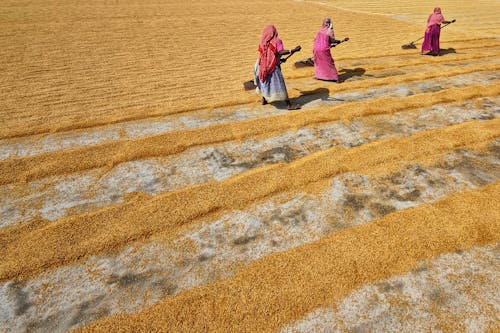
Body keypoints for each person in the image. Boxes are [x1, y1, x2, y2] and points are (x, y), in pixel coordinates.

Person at [254, 25, 300, 110]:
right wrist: (293, 50)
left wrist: (280, 60)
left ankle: (264, 99)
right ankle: (289, 105)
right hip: (272, 67)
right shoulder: (277, 41)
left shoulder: (262, 42)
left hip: (261, 66)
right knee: (280, 84)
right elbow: (280, 52)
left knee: (264, 83)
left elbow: (267, 54)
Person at [313, 18, 341, 82]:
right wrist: (338, 41)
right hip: (324, 49)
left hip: (316, 48)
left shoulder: (319, 29)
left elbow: (315, 39)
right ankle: (335, 78)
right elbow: (332, 40)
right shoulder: (329, 30)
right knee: (329, 62)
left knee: (318, 63)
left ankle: (319, 76)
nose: (327, 24)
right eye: (327, 22)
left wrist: (329, 44)